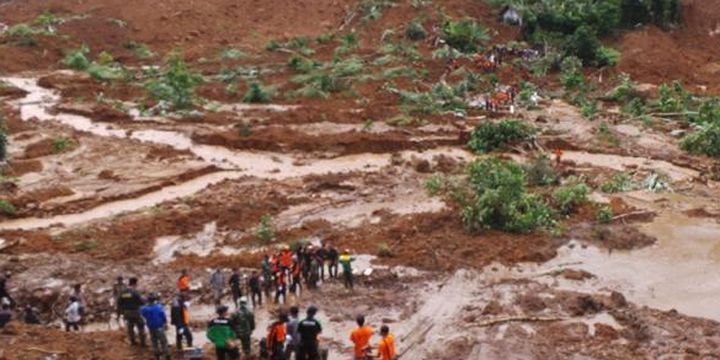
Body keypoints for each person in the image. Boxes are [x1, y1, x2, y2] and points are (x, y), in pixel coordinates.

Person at [141, 293, 171, 360]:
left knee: (154, 342)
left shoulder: (144, 309)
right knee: (163, 342)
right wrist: (165, 323)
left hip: (151, 327)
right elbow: (163, 316)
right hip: (159, 327)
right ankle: (167, 356)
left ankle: (157, 356)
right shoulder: (158, 307)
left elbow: (142, 313)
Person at [118, 277, 147, 346]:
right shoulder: (135, 292)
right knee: (141, 326)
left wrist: (122, 311)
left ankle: (133, 341)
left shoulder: (123, 292)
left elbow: (119, 302)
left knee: (130, 326)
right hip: (135, 311)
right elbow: (141, 302)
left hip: (127, 312)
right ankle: (143, 342)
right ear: (135, 283)